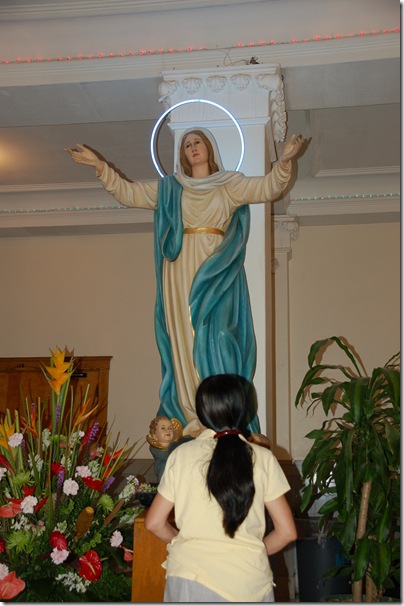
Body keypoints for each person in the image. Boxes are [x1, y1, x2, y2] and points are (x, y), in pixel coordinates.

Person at [66, 128, 303, 437]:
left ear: (209, 148)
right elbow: (129, 193)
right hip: (178, 270)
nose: (193, 147)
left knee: (219, 335)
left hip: (216, 269)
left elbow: (268, 187)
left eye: (198, 142)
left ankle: (223, 413)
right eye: (187, 144)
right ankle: (194, 415)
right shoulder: (171, 189)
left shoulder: (229, 184)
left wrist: (284, 161)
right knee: (184, 339)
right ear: (183, 154)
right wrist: (100, 166)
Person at [144, 374, 297, 603]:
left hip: (189, 575)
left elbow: (154, 523)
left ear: (201, 412)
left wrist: (183, 542)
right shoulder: (263, 458)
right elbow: (287, 532)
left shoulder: (181, 455)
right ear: (242, 409)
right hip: (248, 580)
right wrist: (249, 551)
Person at [147, 416, 184, 481]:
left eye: (170, 428)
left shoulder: (178, 447)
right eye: (163, 428)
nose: (167, 430)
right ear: (155, 436)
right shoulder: (159, 454)